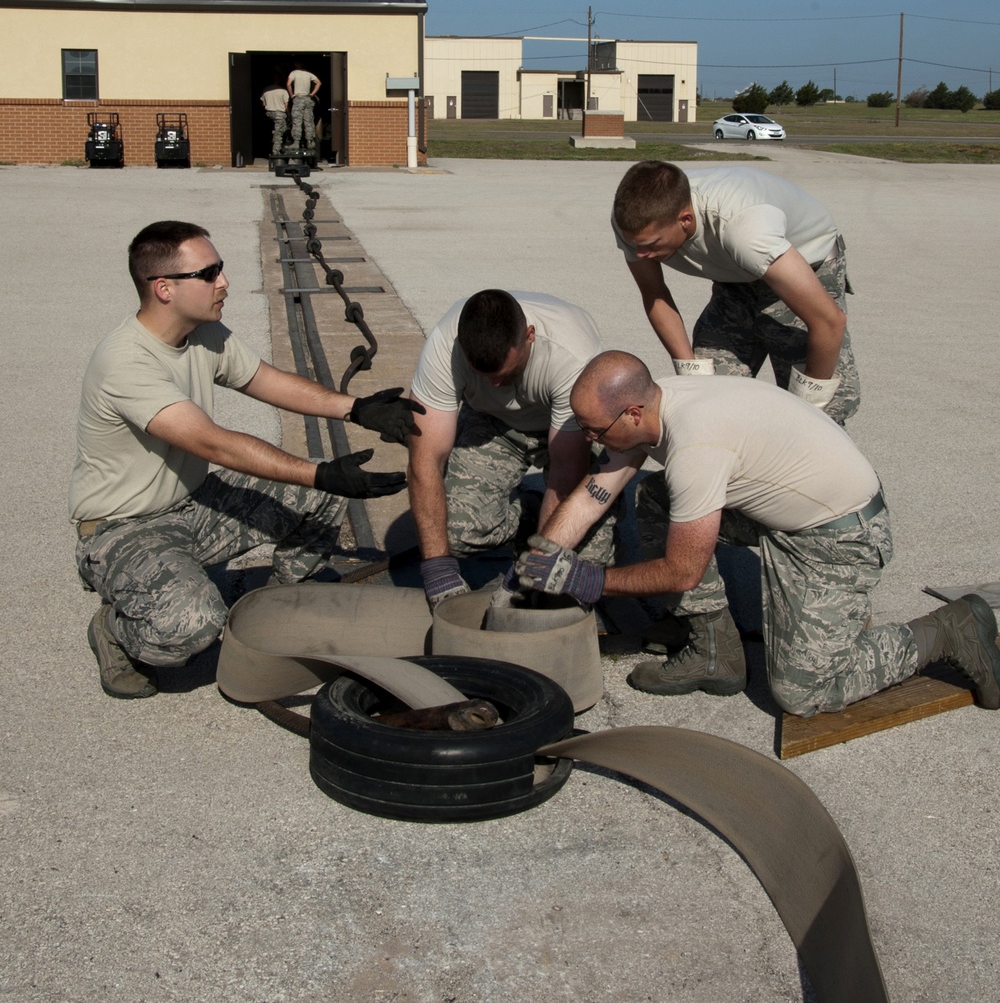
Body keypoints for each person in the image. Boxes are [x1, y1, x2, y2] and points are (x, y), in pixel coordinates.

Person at [513, 351, 1000, 718]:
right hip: (791, 506)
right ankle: (713, 652)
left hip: (839, 538)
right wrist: (546, 552)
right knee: (654, 496)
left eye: (594, 430)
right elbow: (597, 489)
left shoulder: (696, 446)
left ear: (632, 414)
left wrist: (589, 581)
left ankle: (950, 630)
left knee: (804, 692)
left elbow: (682, 571)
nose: (589, 438)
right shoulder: (656, 399)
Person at [71, 220, 422, 700]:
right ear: (164, 288)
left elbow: (265, 380)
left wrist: (355, 408)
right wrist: (321, 472)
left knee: (316, 500)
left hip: (193, 503)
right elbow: (215, 444)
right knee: (192, 624)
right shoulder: (126, 363)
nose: (224, 282)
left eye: (221, 269)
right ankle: (115, 628)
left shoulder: (204, 332)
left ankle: (280, 608)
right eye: (209, 272)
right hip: (123, 527)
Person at [407, 289, 618, 609]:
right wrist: (437, 567)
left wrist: (537, 566)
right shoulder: (444, 345)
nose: (495, 386)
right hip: (494, 424)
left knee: (578, 563)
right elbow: (425, 459)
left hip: (564, 426)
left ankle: (548, 527)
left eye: (506, 375)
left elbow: (565, 472)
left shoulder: (571, 355)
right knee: (456, 532)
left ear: (530, 336)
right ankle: (529, 511)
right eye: (483, 375)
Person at [612, 160, 859, 424]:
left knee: (818, 415)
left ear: (685, 220)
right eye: (634, 245)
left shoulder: (745, 230)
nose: (640, 255)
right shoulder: (634, 224)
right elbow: (654, 294)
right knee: (707, 402)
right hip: (737, 278)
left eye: (650, 245)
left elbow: (828, 321)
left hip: (805, 268)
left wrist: (811, 411)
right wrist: (691, 372)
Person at [286, 59, 321, 153]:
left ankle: (296, 142)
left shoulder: (293, 73)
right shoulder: (308, 74)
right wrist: (312, 94)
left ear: (295, 64)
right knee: (308, 121)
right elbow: (318, 82)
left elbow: (288, 84)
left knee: (297, 121)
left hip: (298, 98)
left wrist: (291, 94)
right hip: (307, 99)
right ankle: (310, 142)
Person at [261, 73, 290, 156]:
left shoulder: (266, 90)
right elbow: (286, 105)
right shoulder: (283, 91)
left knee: (273, 132)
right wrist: (288, 115)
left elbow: (263, 104)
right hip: (279, 114)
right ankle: (276, 151)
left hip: (269, 113)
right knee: (279, 133)